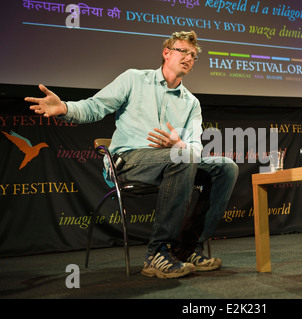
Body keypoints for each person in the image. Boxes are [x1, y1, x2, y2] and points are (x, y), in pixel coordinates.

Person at [25, 30, 239, 278]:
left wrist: (178, 144)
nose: (189, 57)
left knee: (226, 167)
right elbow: (96, 106)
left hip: (174, 162)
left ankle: (186, 248)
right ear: (166, 52)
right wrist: (64, 108)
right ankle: (157, 252)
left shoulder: (191, 103)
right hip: (127, 161)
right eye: (183, 51)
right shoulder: (134, 80)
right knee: (183, 158)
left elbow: (194, 148)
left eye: (193, 55)